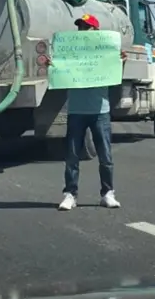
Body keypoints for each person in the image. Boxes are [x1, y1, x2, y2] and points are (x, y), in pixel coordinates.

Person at [52, 14, 126, 211]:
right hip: (76, 110)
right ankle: (70, 194)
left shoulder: (105, 52)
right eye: (81, 27)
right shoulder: (71, 52)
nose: (83, 30)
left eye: (87, 27)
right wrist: (52, 66)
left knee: (105, 156)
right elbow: (59, 71)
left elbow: (115, 76)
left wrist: (120, 62)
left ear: (96, 31)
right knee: (72, 156)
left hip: (100, 111)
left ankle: (108, 193)